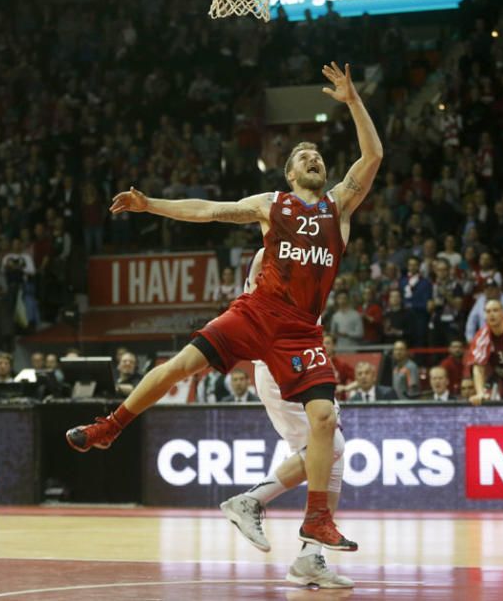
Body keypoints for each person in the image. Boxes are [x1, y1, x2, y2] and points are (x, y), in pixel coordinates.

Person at [65, 62, 381, 551]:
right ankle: (110, 427)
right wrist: (152, 205)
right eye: (303, 156)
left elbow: (374, 154)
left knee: (324, 422)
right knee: (180, 366)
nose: (313, 159)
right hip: (257, 313)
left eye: (317, 154)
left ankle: (316, 520)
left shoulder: (337, 206)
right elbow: (207, 211)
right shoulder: (271, 204)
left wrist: (353, 100)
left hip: (300, 332)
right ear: (289, 173)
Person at [219, 249, 352, 588]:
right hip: (281, 364)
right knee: (331, 446)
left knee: (332, 460)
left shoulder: (313, 247)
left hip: (304, 359)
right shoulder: (272, 254)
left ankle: (310, 556)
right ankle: (250, 500)